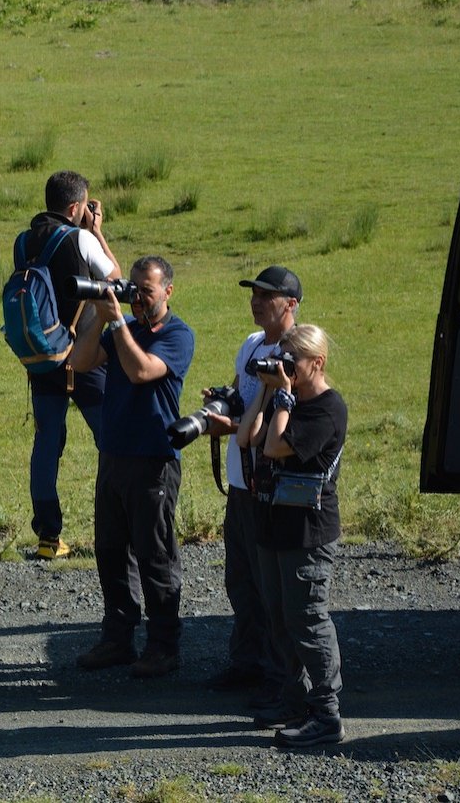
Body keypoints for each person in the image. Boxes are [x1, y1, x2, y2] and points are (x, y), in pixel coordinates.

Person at [70, 255, 194, 677]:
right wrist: (99, 315)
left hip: (153, 458)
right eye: (134, 287)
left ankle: (164, 646)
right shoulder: (127, 328)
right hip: (114, 455)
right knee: (110, 552)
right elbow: (80, 362)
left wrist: (119, 323)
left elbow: (142, 371)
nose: (138, 296)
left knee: (154, 554)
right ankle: (117, 639)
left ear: (168, 292)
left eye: (147, 289)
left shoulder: (177, 335)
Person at [237, 324, 347, 747]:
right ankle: (295, 701)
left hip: (307, 533)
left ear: (316, 363)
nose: (285, 368)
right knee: (279, 618)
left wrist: (282, 395)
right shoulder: (290, 398)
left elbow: (276, 447)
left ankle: (326, 715)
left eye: (291, 361)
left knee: (308, 620)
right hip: (273, 526)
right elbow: (250, 437)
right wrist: (267, 392)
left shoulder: (327, 408)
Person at [202, 266, 302, 696]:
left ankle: (281, 676)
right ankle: (247, 663)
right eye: (253, 294)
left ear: (290, 304)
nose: (256, 301)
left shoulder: (301, 350)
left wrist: (233, 423)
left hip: (273, 486)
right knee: (239, 581)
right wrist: (223, 403)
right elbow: (244, 398)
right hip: (242, 482)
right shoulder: (251, 345)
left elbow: (290, 417)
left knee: (272, 589)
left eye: (267, 295)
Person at [19, 170, 122, 560]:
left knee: (46, 443)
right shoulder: (80, 238)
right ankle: (117, 526)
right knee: (110, 438)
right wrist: (97, 232)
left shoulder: (22, 241)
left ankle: (48, 537)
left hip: (43, 355)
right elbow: (117, 280)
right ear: (76, 207)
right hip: (84, 356)